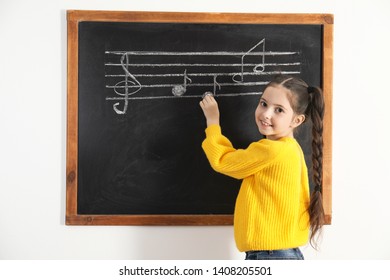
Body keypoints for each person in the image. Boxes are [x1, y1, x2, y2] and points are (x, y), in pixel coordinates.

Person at [199, 75, 325, 260]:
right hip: (280, 253)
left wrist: (212, 122)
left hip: (271, 254)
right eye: (264, 104)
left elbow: (222, 161)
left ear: (296, 120)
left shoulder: (272, 150)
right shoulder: (291, 148)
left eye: (279, 110)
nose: (266, 114)